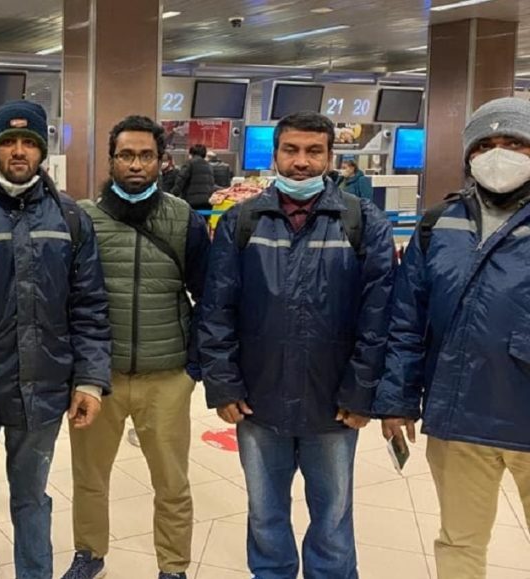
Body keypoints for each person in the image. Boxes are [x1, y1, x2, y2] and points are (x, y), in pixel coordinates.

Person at [199, 111, 396, 579]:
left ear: (330, 157)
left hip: (334, 405)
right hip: (258, 401)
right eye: (291, 150)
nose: (301, 161)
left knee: (332, 518)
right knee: (265, 515)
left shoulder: (362, 221)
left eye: (313, 151)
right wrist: (223, 385)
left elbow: (379, 315)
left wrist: (360, 393)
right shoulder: (242, 221)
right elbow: (217, 308)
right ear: (275, 155)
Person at [0, 100, 112, 579]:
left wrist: (90, 379)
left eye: (29, 142)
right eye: (9, 142)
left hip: (44, 387)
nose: (19, 151)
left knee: (32, 499)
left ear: (42, 150)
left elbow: (89, 304)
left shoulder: (69, 218)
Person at [373, 97, 530, 579]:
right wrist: (397, 400)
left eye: (513, 143)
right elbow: (407, 320)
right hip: (459, 416)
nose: (497, 154)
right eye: (484, 144)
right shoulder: (438, 223)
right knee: (459, 542)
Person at [63, 116, 210, 579]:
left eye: (146, 155)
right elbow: (69, 297)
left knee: (171, 482)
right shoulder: (84, 218)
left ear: (161, 161)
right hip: (98, 379)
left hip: (166, 377)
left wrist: (193, 366)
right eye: (126, 155)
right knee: (90, 478)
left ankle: (173, 567)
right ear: (111, 160)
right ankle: (89, 554)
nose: (135, 164)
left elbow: (208, 294)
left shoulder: (183, 219)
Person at [173, 144, 216, 210]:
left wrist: (173, 194)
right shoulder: (209, 166)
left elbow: (181, 180)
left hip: (192, 202)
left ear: (191, 154)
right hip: (207, 202)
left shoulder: (190, 163)